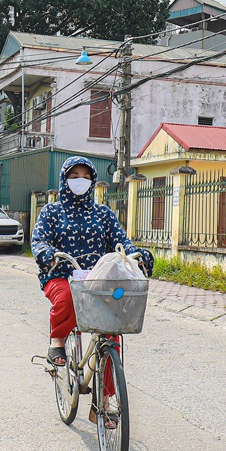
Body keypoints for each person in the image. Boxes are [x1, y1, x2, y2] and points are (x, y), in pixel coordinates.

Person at [31, 156, 152, 367]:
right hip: (61, 274)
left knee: (112, 325)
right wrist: (47, 254)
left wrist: (136, 255)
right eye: (75, 176)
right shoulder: (52, 211)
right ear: (64, 179)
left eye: (86, 177)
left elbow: (120, 240)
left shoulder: (103, 213)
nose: (81, 180)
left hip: (99, 278)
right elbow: (40, 240)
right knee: (67, 298)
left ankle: (107, 396)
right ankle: (57, 340)